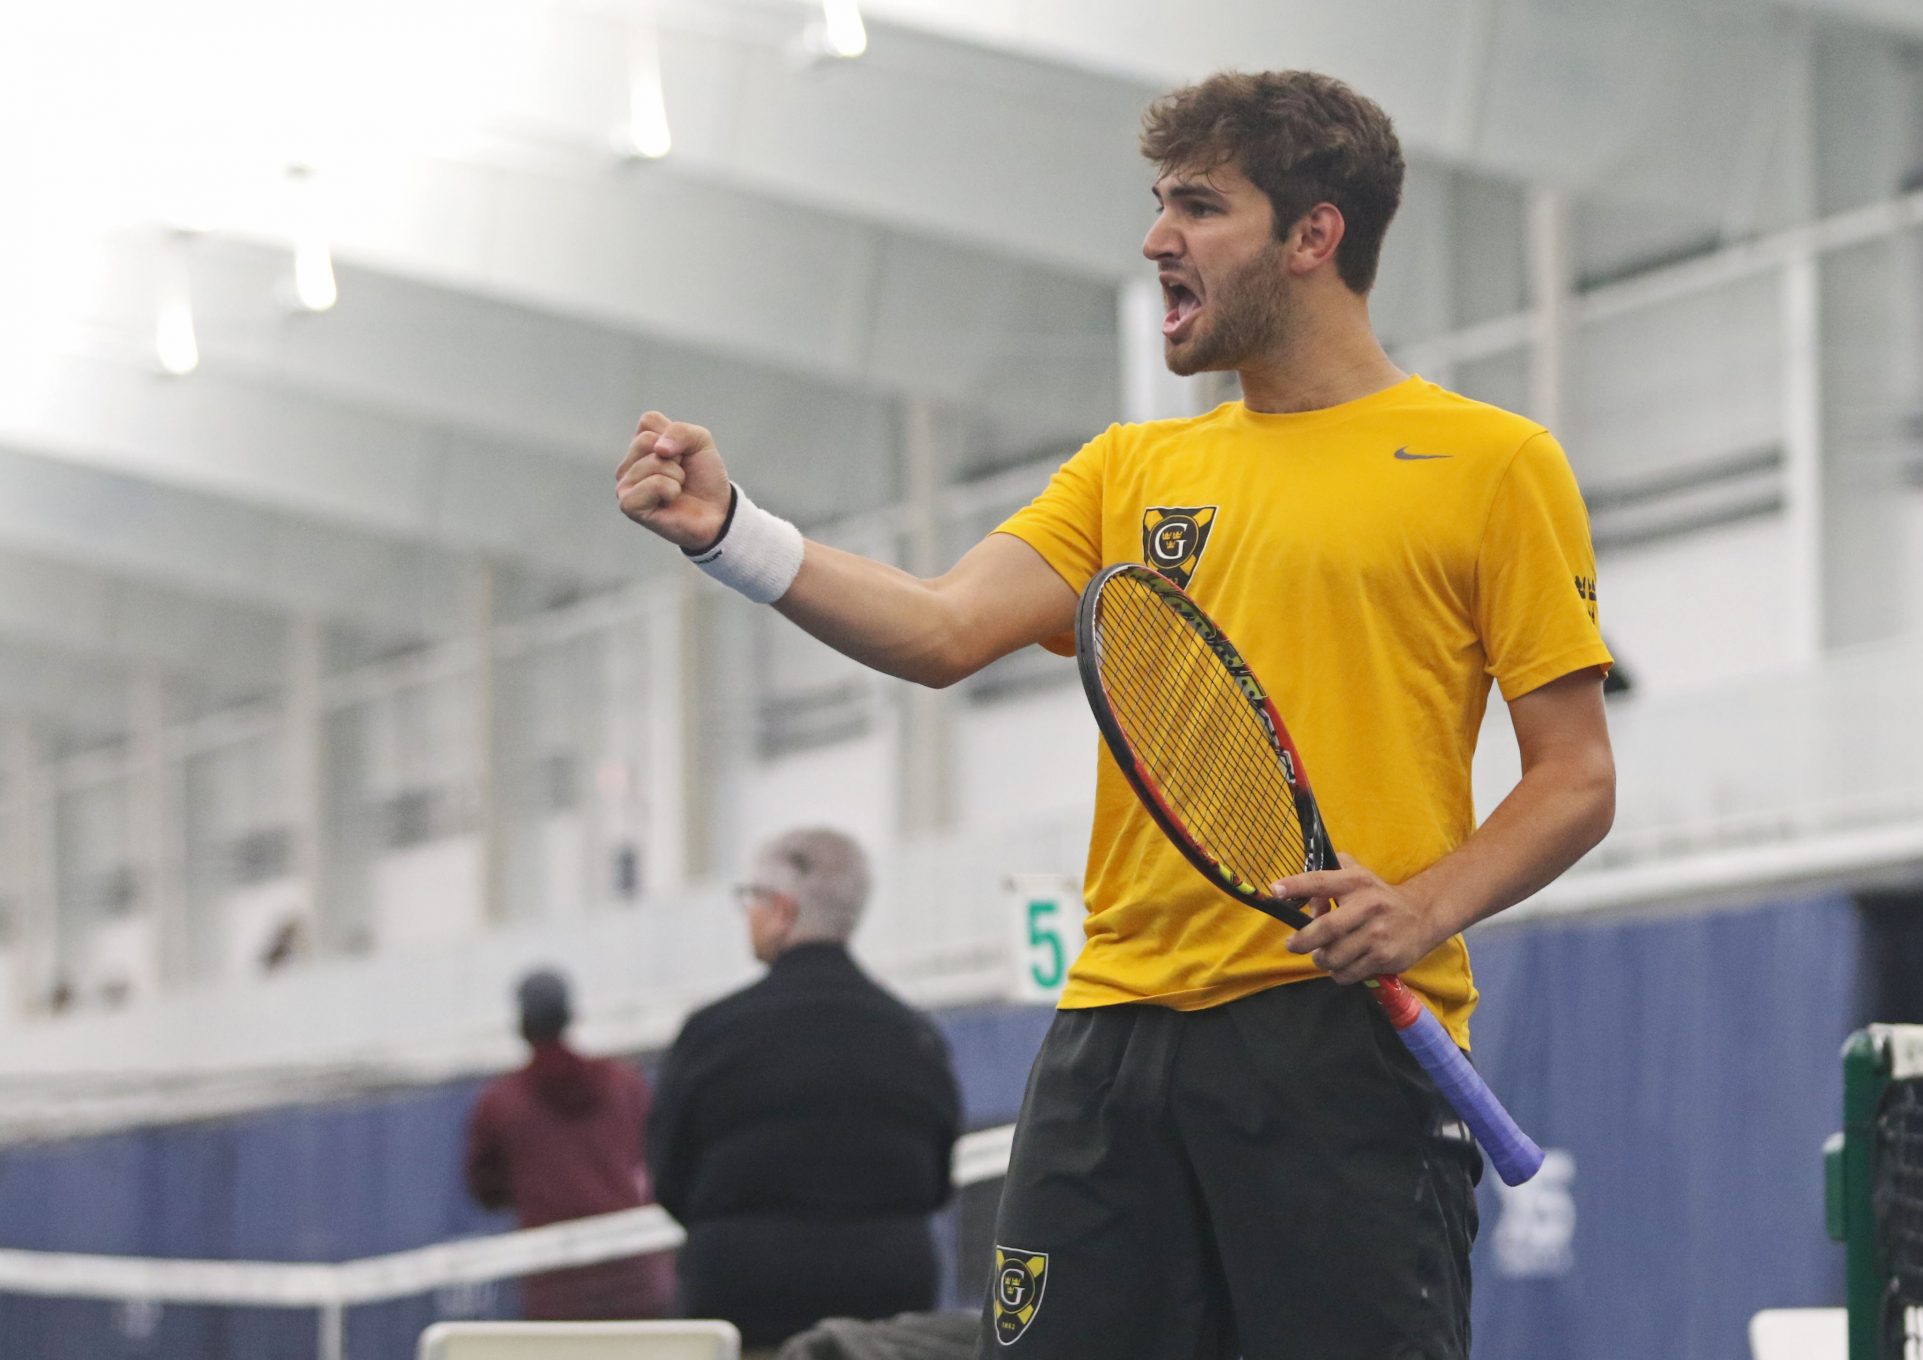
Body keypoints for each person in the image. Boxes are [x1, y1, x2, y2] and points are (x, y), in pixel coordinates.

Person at [613, 70, 1615, 1360]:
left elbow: (1575, 776)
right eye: (1157, 206)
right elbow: (936, 629)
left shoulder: (1493, 465)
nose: (1156, 240)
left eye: (1198, 207)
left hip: (1335, 1050)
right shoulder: (1130, 471)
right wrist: (729, 533)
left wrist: (1422, 906)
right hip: (1107, 1049)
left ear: (1314, 236)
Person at [647, 827, 961, 1355]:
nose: (747, 913)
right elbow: (934, 1180)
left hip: (744, 1304)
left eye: (751, 898)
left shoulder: (710, 1034)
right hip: (885, 1315)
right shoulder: (915, 1036)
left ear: (782, 909)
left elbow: (670, 1178)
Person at [463, 969, 672, 1321]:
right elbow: (656, 1153)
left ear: (523, 1024)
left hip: (557, 1293)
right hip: (637, 1281)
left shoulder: (501, 1103)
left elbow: (485, 1189)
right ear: (571, 1016)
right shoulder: (625, 1084)